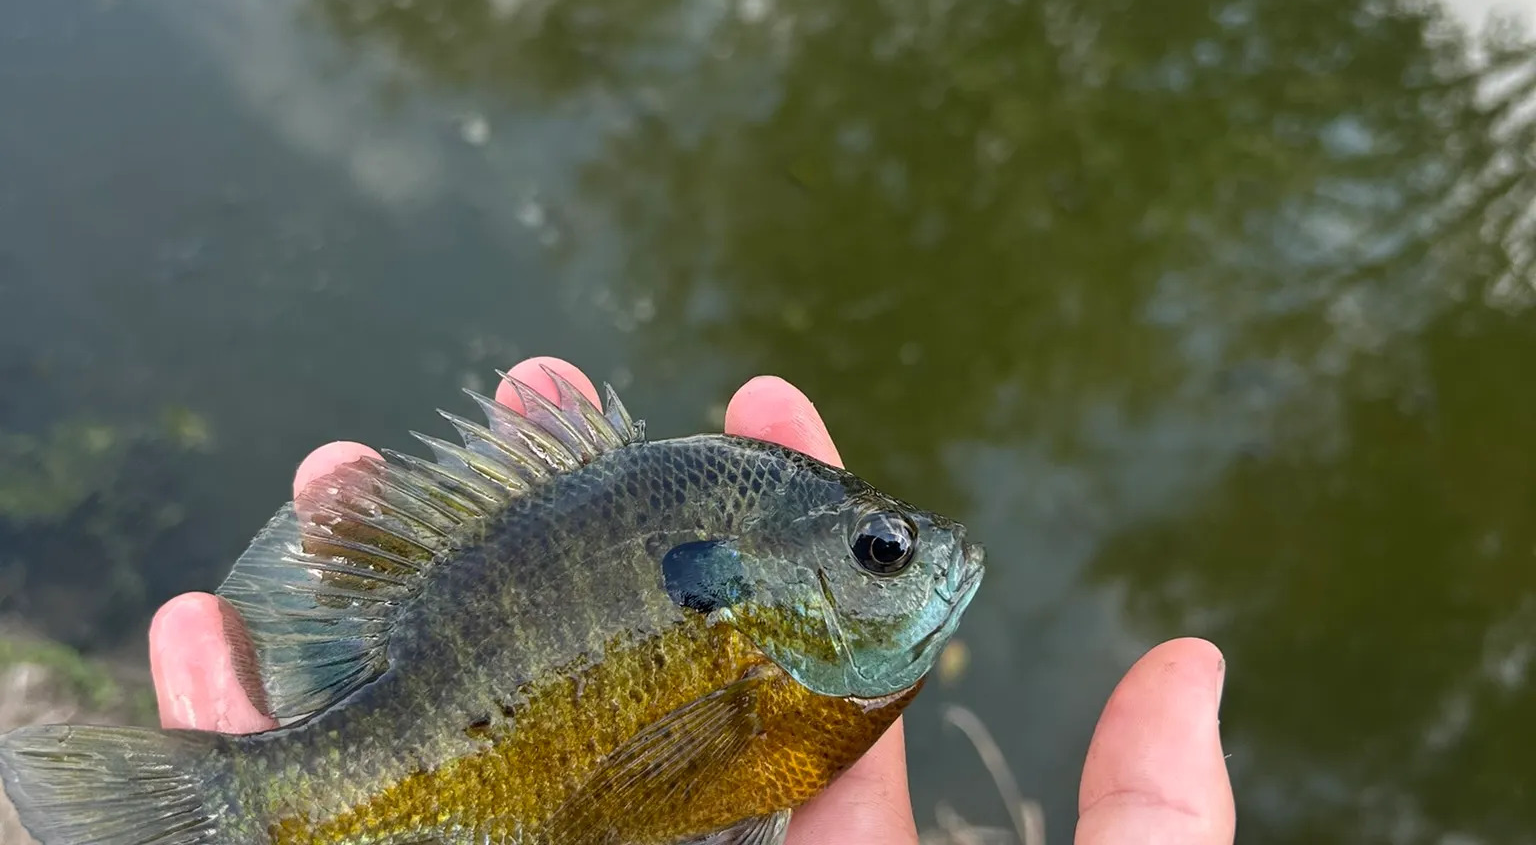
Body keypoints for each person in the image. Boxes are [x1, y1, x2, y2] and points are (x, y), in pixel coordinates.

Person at [148, 358, 1236, 845]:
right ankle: (246, 805)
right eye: (881, 550)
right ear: (774, 583)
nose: (929, 560)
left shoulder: (786, 698)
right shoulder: (774, 697)